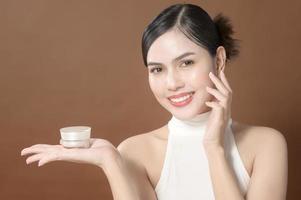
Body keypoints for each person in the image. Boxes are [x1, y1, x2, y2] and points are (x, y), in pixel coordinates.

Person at [20, 3, 288, 200]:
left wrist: (214, 147)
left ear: (218, 60)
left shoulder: (265, 145)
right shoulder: (135, 152)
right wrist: (110, 162)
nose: (171, 83)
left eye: (186, 63)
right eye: (157, 69)